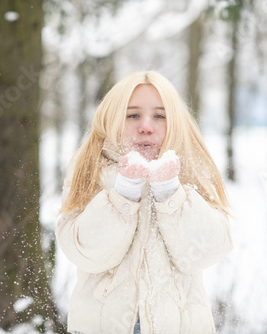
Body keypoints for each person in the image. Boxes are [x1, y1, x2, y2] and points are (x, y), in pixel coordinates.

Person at [56, 71, 233, 334]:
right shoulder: (91, 168)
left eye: (160, 116)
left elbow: (207, 251)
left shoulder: (189, 169)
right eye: (133, 115)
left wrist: (170, 192)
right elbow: (85, 254)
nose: (146, 126)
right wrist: (123, 193)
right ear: (112, 119)